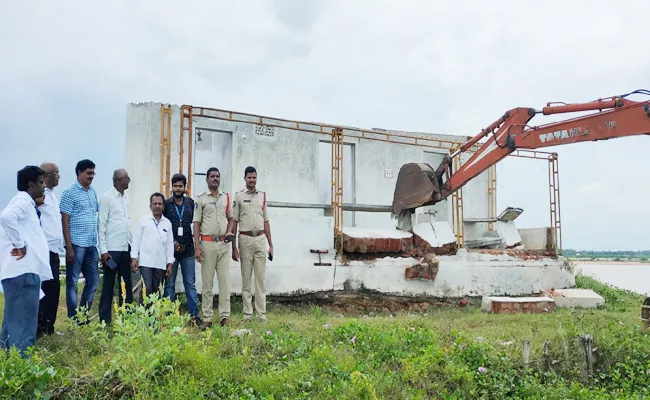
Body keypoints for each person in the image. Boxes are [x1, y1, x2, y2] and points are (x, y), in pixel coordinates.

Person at [0, 166, 53, 357]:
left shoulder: (25, 203)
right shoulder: (23, 201)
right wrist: (20, 244)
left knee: (13, 324)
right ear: (31, 185)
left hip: (20, 273)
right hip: (23, 273)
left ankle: (7, 367)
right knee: (23, 327)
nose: (44, 187)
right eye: (41, 183)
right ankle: (21, 372)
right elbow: (6, 217)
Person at [227, 166, 273, 322]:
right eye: (249, 177)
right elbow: (234, 222)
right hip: (245, 240)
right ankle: (247, 314)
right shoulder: (239, 197)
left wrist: (271, 244)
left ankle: (261, 314)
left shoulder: (263, 196)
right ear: (245, 178)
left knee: (260, 279)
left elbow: (266, 221)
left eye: (254, 177)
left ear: (256, 178)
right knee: (246, 279)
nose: (252, 180)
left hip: (260, 239)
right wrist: (233, 247)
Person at [193, 167, 234, 330]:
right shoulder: (201, 199)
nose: (215, 179)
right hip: (207, 245)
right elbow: (196, 224)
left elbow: (231, 218)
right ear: (207, 179)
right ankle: (208, 318)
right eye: (212, 177)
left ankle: (225, 317)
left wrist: (230, 231)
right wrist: (197, 247)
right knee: (207, 283)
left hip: (223, 245)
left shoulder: (226, 198)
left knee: (224, 282)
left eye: (217, 176)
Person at [60, 159, 100, 322]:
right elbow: (65, 220)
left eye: (93, 173)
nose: (91, 176)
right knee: (72, 282)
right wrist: (68, 247)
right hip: (76, 244)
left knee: (93, 281)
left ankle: (83, 315)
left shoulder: (93, 192)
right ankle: (72, 319)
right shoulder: (69, 193)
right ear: (79, 173)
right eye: (88, 173)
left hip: (91, 244)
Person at [163, 173, 201, 325]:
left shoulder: (191, 204)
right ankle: (168, 317)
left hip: (189, 250)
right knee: (169, 284)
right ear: (172, 187)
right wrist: (171, 242)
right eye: (175, 186)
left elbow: (197, 223)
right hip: (170, 252)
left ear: (185, 188)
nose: (178, 188)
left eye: (181, 186)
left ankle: (194, 316)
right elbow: (163, 227)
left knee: (190, 284)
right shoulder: (166, 204)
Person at [97, 169, 133, 324]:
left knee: (126, 285)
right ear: (119, 180)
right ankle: (105, 320)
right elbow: (101, 225)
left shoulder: (126, 198)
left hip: (126, 248)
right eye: (127, 178)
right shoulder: (107, 198)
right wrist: (103, 251)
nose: (129, 181)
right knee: (108, 286)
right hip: (111, 251)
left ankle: (127, 318)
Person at [35, 163, 64, 337]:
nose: (59, 176)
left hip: (54, 249)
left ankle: (49, 327)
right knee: (43, 289)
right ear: (46, 175)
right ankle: (39, 328)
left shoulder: (53, 196)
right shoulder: (40, 195)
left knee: (54, 289)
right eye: (56, 173)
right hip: (43, 248)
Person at [130, 193, 174, 298]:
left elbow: (170, 245)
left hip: (160, 263)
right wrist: (134, 258)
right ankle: (143, 313)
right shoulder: (143, 221)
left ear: (163, 206)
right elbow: (136, 240)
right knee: (146, 288)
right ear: (150, 206)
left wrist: (170, 263)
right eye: (155, 204)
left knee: (158, 291)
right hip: (146, 262)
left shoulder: (167, 223)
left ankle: (155, 314)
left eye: (160, 204)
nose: (157, 206)